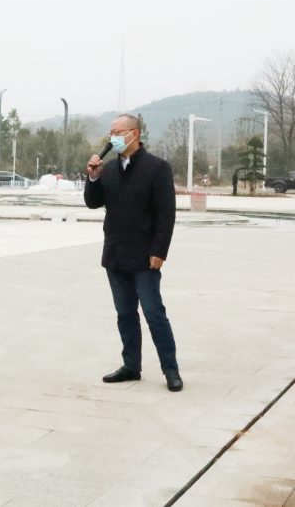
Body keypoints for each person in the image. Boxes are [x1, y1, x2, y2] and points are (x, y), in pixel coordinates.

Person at [85, 114, 182, 392]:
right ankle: (131, 366)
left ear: (134, 134)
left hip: (145, 256)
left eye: (118, 131)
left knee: (154, 313)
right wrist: (93, 177)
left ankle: (170, 369)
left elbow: (166, 214)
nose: (113, 137)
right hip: (116, 253)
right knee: (125, 313)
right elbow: (93, 203)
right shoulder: (109, 169)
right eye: (111, 132)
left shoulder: (157, 167)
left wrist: (159, 250)